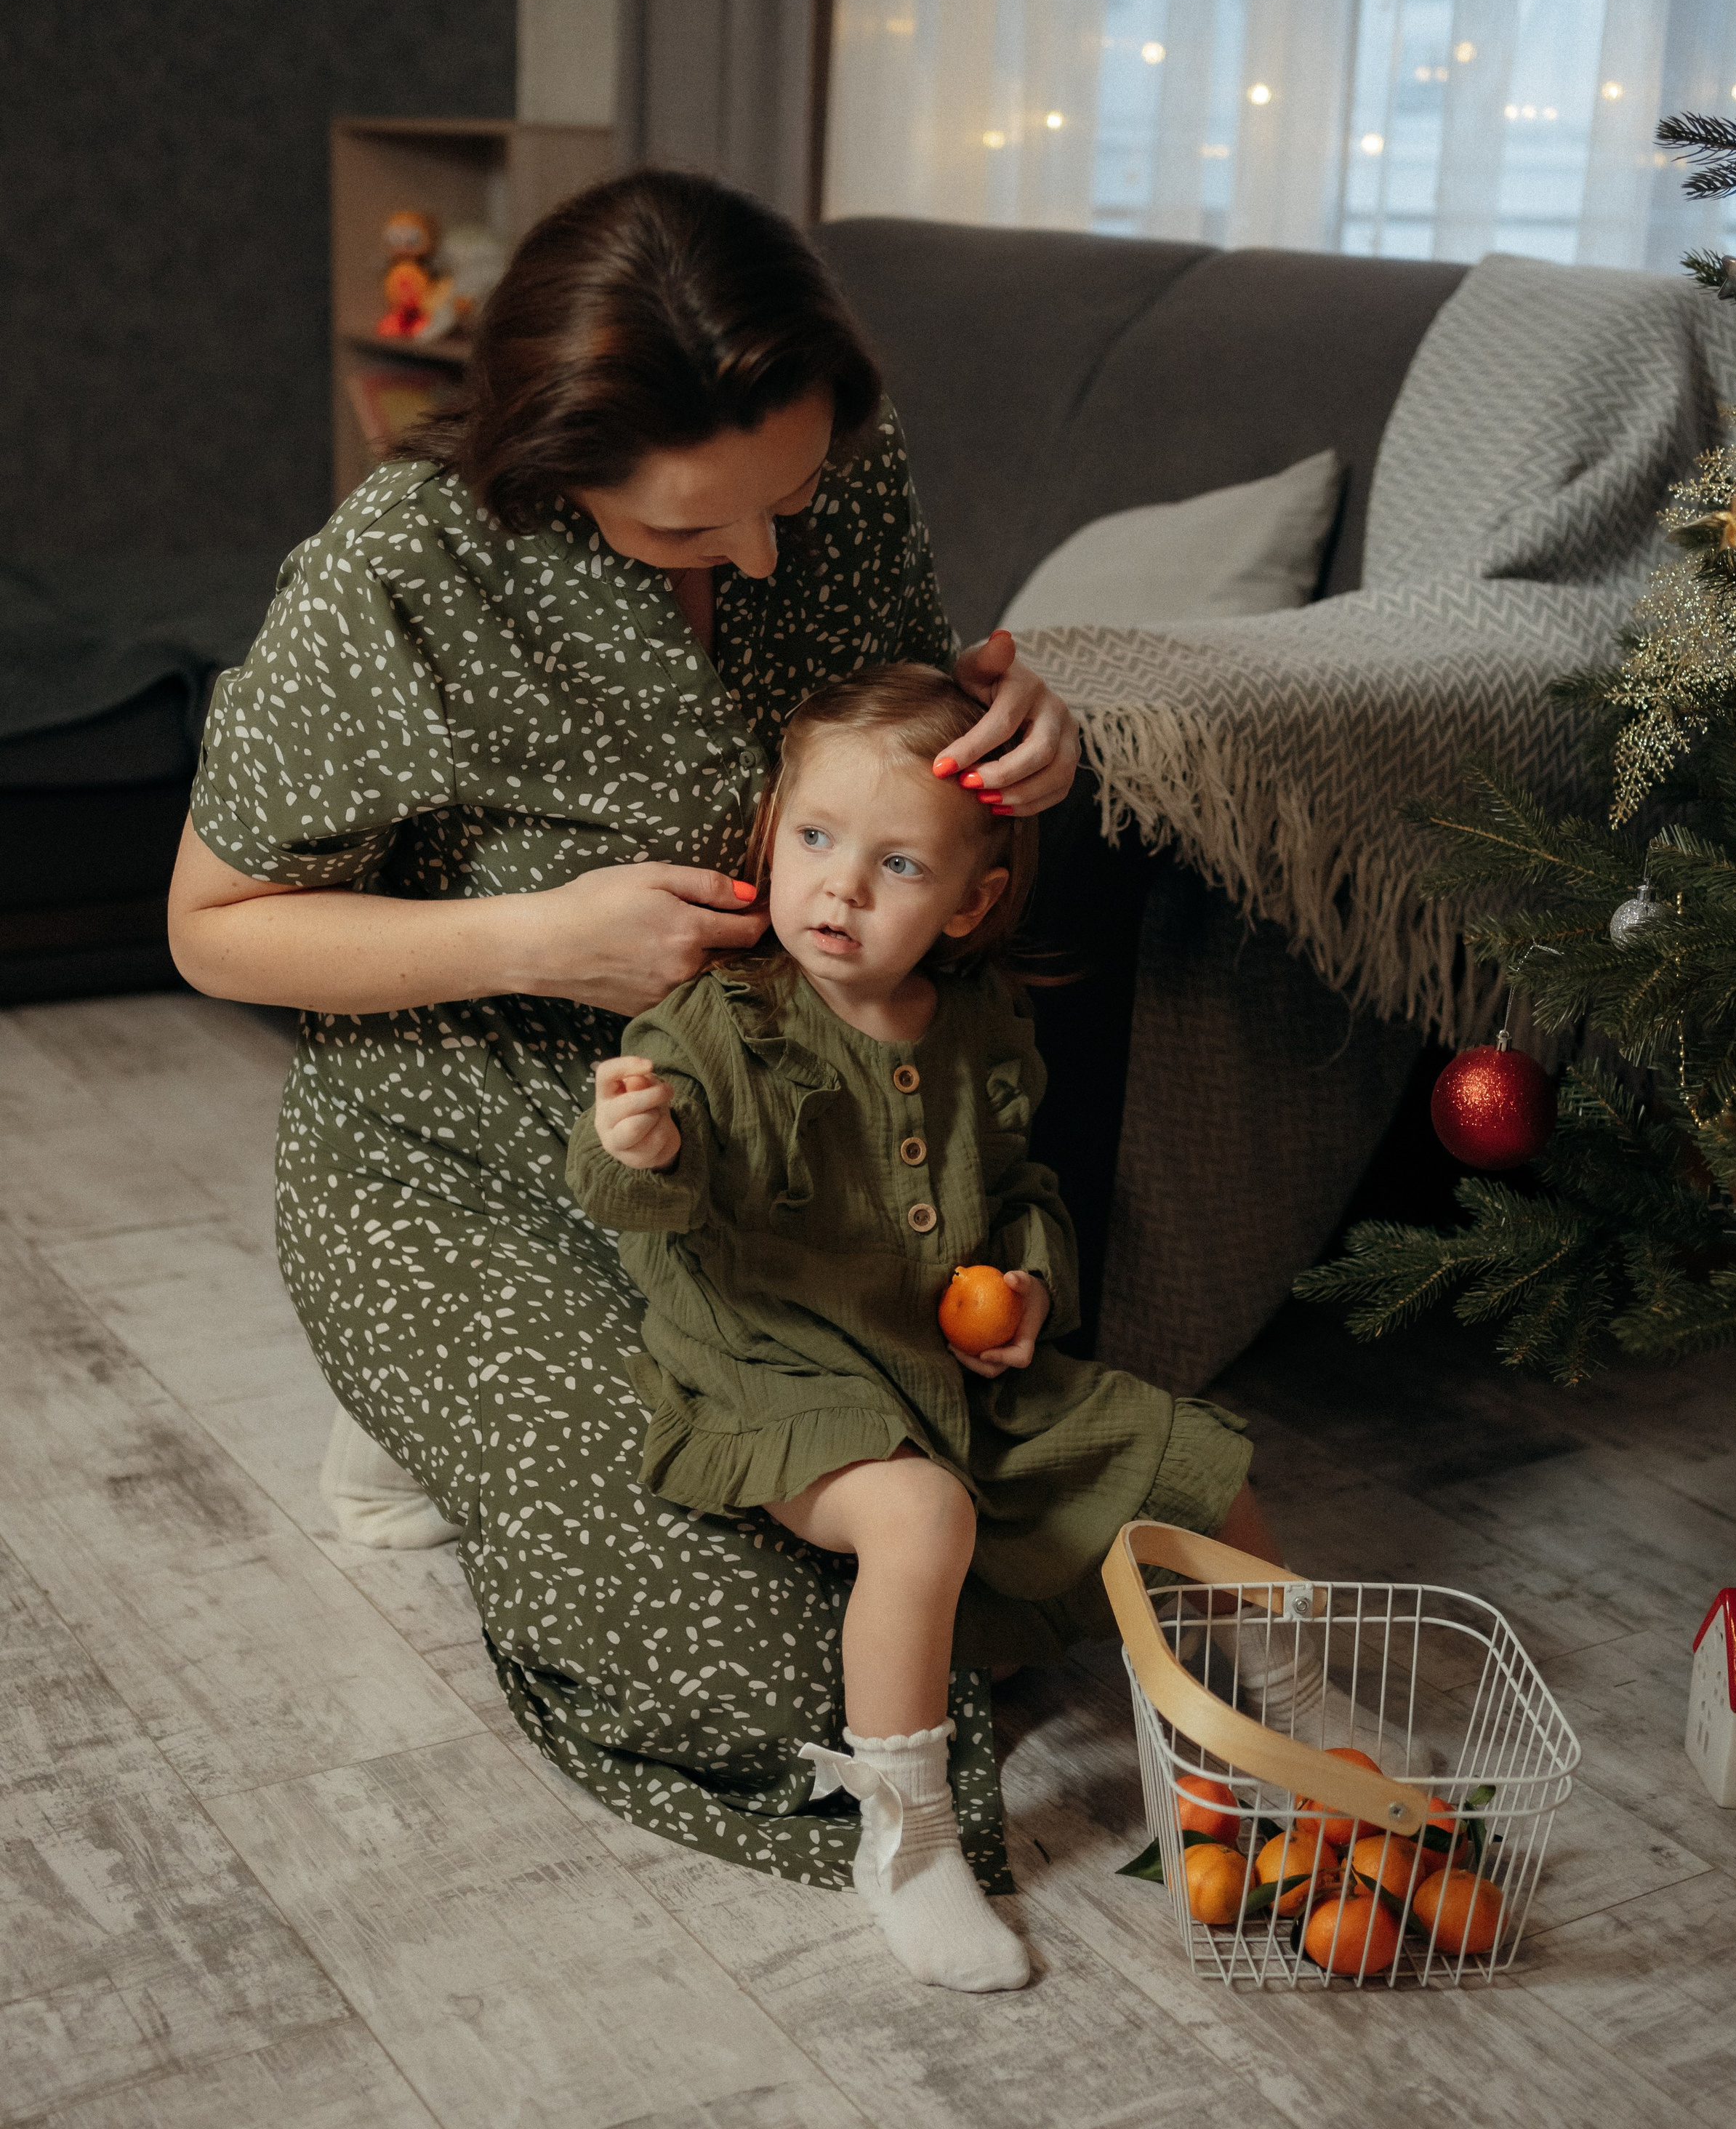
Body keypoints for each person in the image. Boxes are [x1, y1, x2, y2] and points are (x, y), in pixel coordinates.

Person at [166, 168, 1081, 1892]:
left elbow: (882, 739)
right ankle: (412, 1404)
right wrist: (537, 936)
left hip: (763, 1139)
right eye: (683, 531)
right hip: (461, 1135)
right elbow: (209, 932)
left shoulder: (840, 467)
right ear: (550, 463)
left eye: (788, 504)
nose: (755, 553)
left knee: (1003, 1545)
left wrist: (1010, 728)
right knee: (756, 1668)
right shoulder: (408, 562)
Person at [569, 660, 1270, 1989]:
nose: (837, 887)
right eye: (818, 839)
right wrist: (636, 1140)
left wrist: (1032, 1290)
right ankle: (908, 1838)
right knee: (922, 1516)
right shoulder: (718, 1023)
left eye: (896, 864)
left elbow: (1020, 1193)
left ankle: (1295, 1711)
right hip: (775, 1368)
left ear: (972, 901)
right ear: (773, 836)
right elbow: (631, 1194)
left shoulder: (980, 1033)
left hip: (949, 1369)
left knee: (1194, 1460)